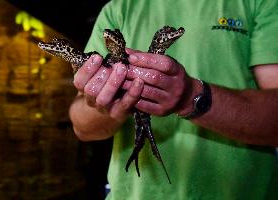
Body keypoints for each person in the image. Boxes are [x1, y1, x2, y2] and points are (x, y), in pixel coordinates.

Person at [69, 0, 278, 199]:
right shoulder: (118, 8)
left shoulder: (260, 3)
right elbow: (82, 127)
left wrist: (191, 97)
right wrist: (108, 103)